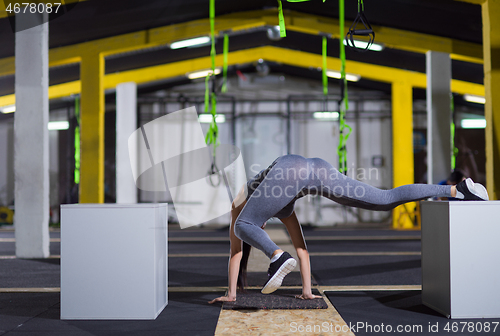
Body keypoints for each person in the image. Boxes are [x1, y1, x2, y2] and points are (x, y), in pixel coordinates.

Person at [209, 154, 489, 303]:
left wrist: (233, 293)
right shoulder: (283, 205)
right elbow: (302, 249)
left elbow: (236, 251)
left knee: (242, 227)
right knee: (384, 199)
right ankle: (458, 190)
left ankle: (275, 257)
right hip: (316, 167)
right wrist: (306, 291)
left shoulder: (243, 200)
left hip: (289, 169)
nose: (260, 224)